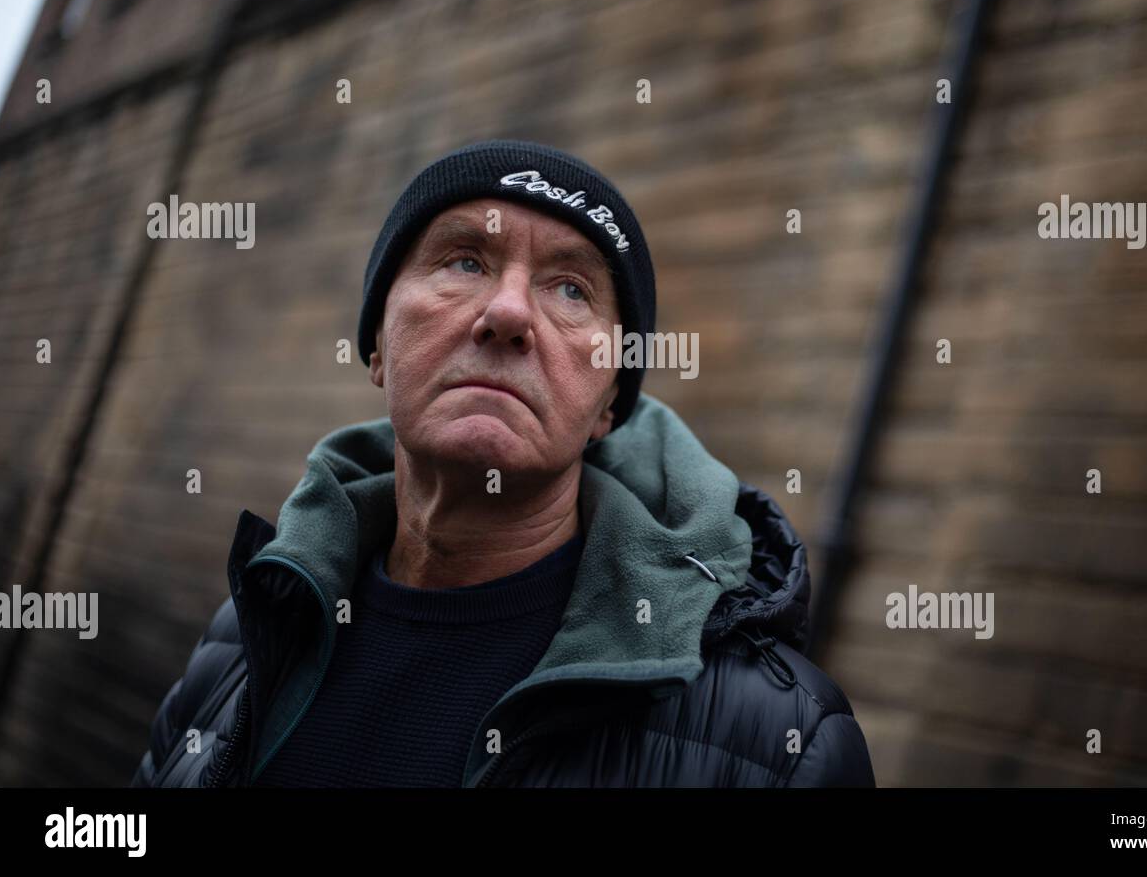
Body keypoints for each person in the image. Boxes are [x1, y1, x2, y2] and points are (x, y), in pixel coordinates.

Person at [130, 138, 876, 787]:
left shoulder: (783, 743)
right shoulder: (253, 626)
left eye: (571, 288)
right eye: (463, 260)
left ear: (610, 402)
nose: (510, 314)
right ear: (379, 347)